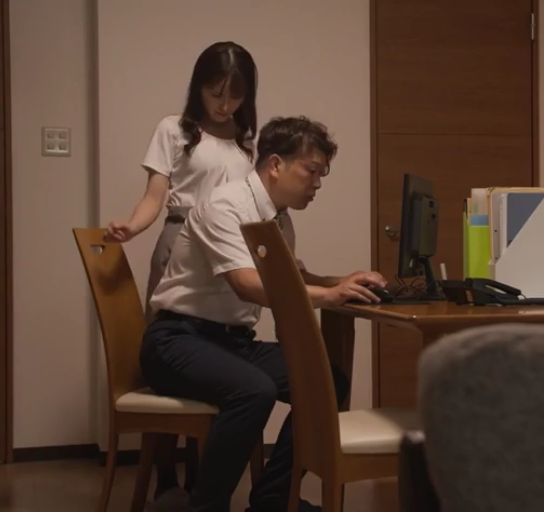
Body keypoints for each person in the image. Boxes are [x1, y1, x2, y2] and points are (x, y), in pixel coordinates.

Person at [140, 116, 388, 512]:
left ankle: (273, 500)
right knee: (254, 391)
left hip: (231, 343)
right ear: (275, 164)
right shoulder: (225, 205)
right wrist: (329, 296)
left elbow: (291, 278)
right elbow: (247, 284)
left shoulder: (278, 218)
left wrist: (341, 281)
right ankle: (206, 506)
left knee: (328, 382)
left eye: (322, 174)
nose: (318, 184)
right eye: (311, 171)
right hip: (177, 340)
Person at [103, 41, 258, 507]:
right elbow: (155, 195)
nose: (224, 104)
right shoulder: (175, 129)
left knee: (220, 354)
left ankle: (202, 477)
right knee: (176, 351)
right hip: (180, 244)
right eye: (215, 92)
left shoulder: (246, 141)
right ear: (198, 87)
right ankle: (166, 473)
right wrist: (133, 226)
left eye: (235, 95)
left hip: (228, 248)